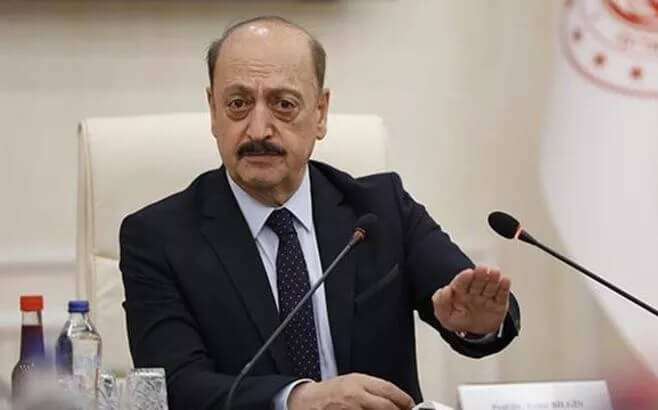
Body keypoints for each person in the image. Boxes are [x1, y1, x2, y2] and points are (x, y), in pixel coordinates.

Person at [119, 16, 520, 410]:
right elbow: (175, 387)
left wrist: (479, 324)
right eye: (238, 104)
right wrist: (296, 398)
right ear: (213, 111)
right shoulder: (157, 238)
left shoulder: (382, 210)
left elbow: (470, 300)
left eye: (283, 104)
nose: (258, 130)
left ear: (321, 113)